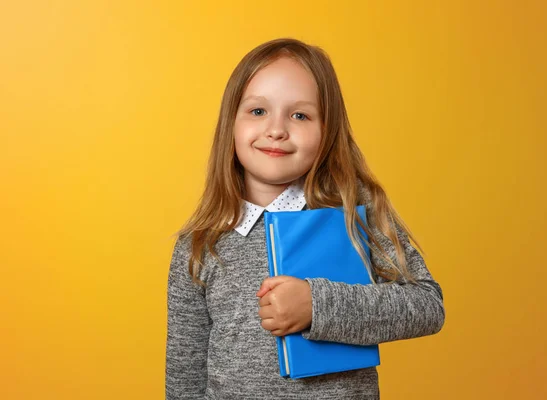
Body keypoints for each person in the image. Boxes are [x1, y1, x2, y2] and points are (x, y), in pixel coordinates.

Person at [166, 37, 445, 399]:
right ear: (230, 122)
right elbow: (184, 379)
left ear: (327, 130)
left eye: (299, 115)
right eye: (257, 111)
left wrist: (318, 305)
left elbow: (426, 306)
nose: (277, 130)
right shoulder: (199, 245)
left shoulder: (352, 211)